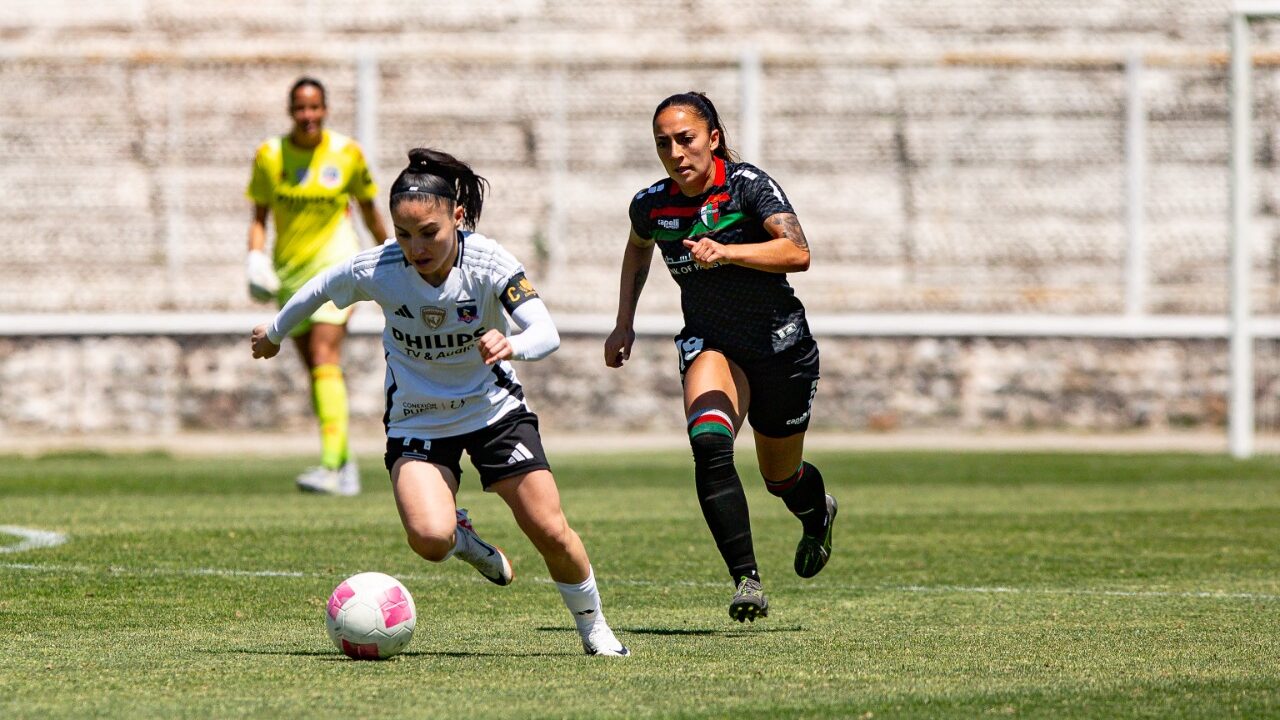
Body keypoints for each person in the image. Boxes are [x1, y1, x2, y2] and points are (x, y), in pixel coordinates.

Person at [251, 148, 629, 656]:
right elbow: (320, 287)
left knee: (549, 529)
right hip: (418, 418)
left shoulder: (489, 262)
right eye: (403, 234)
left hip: (493, 411)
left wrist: (512, 344)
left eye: (428, 232)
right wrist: (275, 332)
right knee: (430, 539)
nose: (416, 247)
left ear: (457, 217)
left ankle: (594, 628)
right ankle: (462, 537)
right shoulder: (382, 266)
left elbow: (546, 332)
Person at [605, 91, 836, 623]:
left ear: (713, 138)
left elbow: (797, 252)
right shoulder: (651, 204)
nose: (675, 153)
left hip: (781, 347)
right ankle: (746, 580)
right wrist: (623, 321)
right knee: (709, 444)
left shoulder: (748, 186)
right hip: (712, 343)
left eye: (685, 139)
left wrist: (727, 251)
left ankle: (817, 514)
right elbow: (638, 246)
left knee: (782, 478)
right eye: (663, 144)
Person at [245, 76, 390, 496]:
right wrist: (255, 257)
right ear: (291, 111)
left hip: (337, 264)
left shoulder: (347, 154)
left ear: (325, 109)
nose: (308, 115)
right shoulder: (270, 156)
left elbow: (369, 209)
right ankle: (344, 465)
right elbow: (259, 217)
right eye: (300, 108)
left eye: (314, 107)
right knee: (316, 368)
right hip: (292, 273)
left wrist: (392, 254)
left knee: (326, 354)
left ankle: (330, 467)